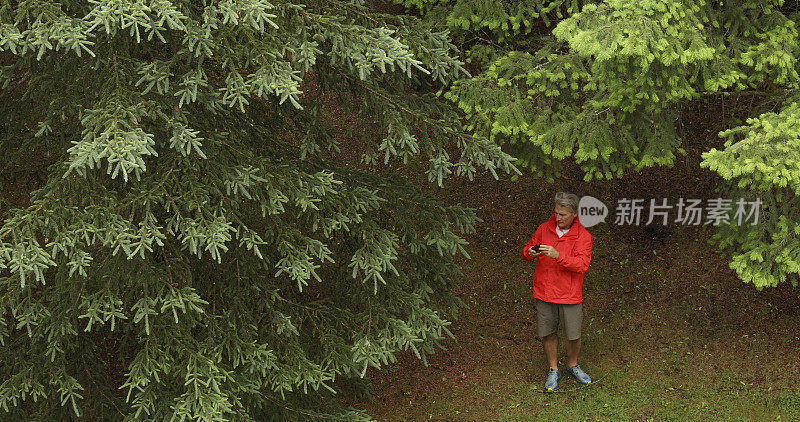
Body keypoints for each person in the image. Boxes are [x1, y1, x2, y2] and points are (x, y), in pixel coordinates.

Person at [522, 192, 593, 391]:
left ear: (574, 215)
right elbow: (526, 250)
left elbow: (581, 265)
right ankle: (554, 369)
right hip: (544, 291)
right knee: (547, 332)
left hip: (569, 294)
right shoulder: (544, 228)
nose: (558, 218)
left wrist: (558, 255)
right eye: (556, 213)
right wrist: (530, 252)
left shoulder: (584, 236)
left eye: (563, 214)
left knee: (573, 334)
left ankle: (572, 365)